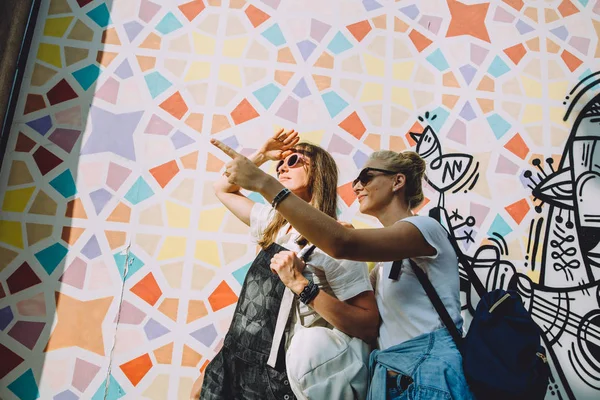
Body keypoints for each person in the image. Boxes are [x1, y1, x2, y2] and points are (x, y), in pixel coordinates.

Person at [212, 138, 474, 400]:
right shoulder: (381, 263)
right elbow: (344, 244)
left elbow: (342, 245)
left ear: (398, 182)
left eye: (367, 177)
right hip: (389, 377)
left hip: (427, 371)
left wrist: (264, 183)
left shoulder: (427, 229)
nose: (357, 185)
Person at [196, 129, 378, 400]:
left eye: (294, 161)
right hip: (235, 360)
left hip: (277, 375)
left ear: (318, 171)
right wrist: (261, 155)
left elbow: (368, 324)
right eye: (279, 164)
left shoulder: (335, 238)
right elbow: (222, 187)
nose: (282, 167)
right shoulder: (272, 222)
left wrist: (302, 286)